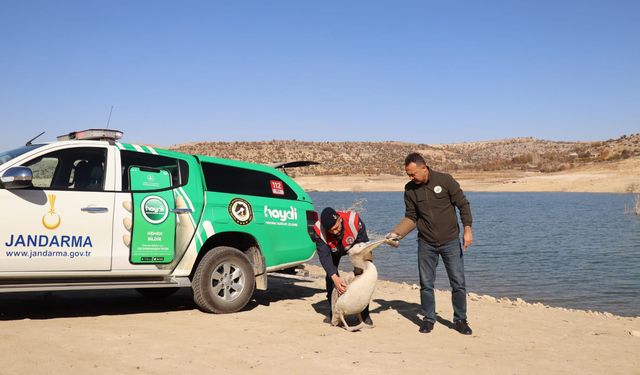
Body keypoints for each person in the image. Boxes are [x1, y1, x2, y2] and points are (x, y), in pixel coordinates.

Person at [387, 152, 474, 335]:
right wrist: (396, 234)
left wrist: (467, 229)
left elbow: (463, 205)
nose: (411, 177)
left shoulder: (445, 180)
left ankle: (460, 320)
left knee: (458, 283)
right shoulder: (409, 189)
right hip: (426, 243)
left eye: (413, 174)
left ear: (424, 168)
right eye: (408, 174)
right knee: (426, 283)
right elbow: (411, 217)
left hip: (450, 241)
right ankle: (428, 319)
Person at [313, 207, 374, 326]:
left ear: (340, 219)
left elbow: (365, 247)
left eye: (336, 228)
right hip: (332, 249)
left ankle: (364, 313)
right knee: (331, 277)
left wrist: (365, 267)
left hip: (354, 245)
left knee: (363, 276)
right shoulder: (319, 231)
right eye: (331, 230)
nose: (335, 232)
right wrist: (335, 278)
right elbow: (325, 257)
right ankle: (334, 312)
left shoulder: (354, 222)